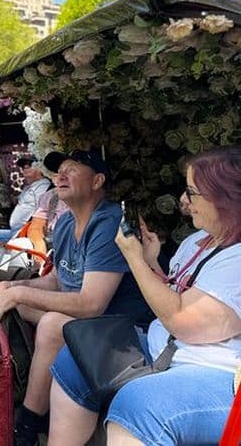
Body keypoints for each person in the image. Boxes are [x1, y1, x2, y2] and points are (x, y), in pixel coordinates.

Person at [48, 145, 241, 446]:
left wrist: (134, 259)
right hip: (163, 350)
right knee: (78, 354)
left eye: (192, 192)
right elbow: (177, 291)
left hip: (219, 374)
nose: (183, 201)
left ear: (224, 197)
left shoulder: (238, 259)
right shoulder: (198, 241)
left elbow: (184, 321)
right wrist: (151, 261)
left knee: (138, 405)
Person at [0, 149, 149, 446]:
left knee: (50, 324)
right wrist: (13, 289)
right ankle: (8, 392)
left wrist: (23, 292)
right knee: (12, 301)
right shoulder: (65, 223)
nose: (60, 175)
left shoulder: (109, 222)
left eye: (72, 169)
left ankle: (27, 424)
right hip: (89, 325)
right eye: (58, 170)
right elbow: (57, 280)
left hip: (124, 331)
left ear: (98, 180)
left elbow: (91, 304)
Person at [0, 156, 51, 257]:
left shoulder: (45, 186)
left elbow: (41, 214)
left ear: (40, 167)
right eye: (23, 165)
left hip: (26, 235)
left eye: (30, 164)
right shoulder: (28, 188)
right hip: (14, 232)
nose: (25, 167)